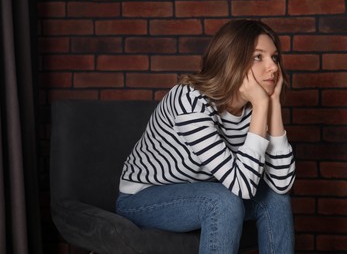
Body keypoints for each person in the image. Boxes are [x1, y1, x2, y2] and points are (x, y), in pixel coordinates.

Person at [116, 19, 296, 254]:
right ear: (232, 59)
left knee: (275, 200)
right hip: (143, 198)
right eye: (258, 57)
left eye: (274, 57)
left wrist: (272, 105)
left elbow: (281, 184)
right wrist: (263, 105)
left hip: (207, 191)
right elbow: (242, 187)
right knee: (222, 201)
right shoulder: (189, 100)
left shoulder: (254, 107)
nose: (273, 67)